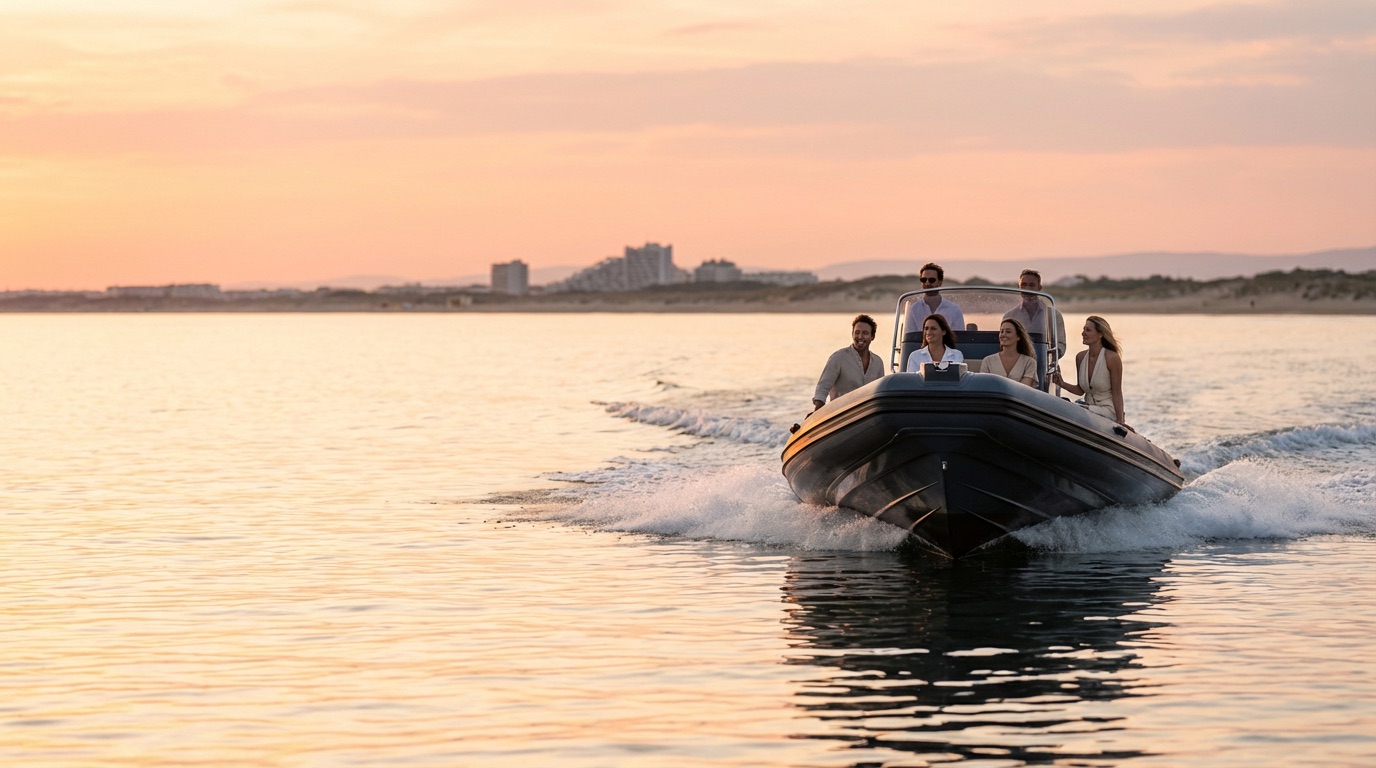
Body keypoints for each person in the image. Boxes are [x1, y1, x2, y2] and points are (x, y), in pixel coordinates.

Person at [1053, 315, 1128, 427]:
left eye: (1088, 330)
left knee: (1076, 409)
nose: (1083, 333)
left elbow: (1117, 392)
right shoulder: (1080, 357)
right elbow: (1080, 390)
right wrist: (1062, 384)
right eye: (1083, 329)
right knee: (1064, 403)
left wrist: (1120, 421)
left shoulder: (1112, 358)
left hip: (1106, 410)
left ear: (1100, 334)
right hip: (1087, 408)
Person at [812, 314, 885, 411]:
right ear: (852, 334)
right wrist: (816, 412)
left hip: (866, 414)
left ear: (872, 336)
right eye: (857, 332)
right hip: (840, 413)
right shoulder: (839, 357)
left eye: (865, 333)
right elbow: (823, 387)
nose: (860, 336)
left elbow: (880, 392)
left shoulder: (878, 363)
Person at [1003, 268, 1067, 359]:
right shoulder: (1010, 316)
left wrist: (1048, 356)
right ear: (1019, 287)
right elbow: (1004, 343)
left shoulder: (1053, 315)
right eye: (1024, 285)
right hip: (1018, 366)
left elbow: (1061, 345)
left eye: (1032, 285)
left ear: (1039, 288)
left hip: (1045, 365)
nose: (1027, 289)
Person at [903, 262, 965, 337]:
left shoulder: (954, 309)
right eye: (923, 280)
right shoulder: (913, 309)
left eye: (931, 280)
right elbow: (909, 338)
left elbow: (958, 339)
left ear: (940, 282)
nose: (927, 283)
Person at [981, 319, 1037, 387]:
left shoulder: (1029, 362)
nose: (1003, 335)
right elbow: (984, 386)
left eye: (1008, 332)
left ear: (1018, 337)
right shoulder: (987, 361)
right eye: (1001, 331)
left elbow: (1024, 389)